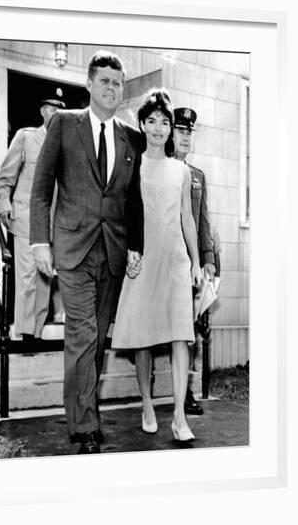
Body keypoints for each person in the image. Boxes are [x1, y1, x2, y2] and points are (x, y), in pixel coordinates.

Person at [30, 51, 143, 454]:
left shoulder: (131, 138)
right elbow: (41, 188)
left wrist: (134, 246)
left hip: (111, 252)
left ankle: (85, 408)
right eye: (105, 81)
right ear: (90, 84)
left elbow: (132, 200)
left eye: (118, 82)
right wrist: (39, 242)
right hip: (72, 248)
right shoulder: (63, 124)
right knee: (82, 335)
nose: (112, 88)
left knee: (96, 341)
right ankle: (83, 427)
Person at [112, 89, 201, 442]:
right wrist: (129, 252)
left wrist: (195, 262)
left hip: (176, 261)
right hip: (144, 261)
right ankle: (147, 404)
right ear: (143, 125)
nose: (160, 128)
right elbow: (121, 215)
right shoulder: (132, 165)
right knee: (144, 339)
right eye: (152, 121)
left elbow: (187, 218)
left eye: (165, 122)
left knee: (182, 336)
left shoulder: (180, 170)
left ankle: (179, 416)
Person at [0, 94, 66, 343]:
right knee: (26, 278)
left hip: (49, 224)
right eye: (52, 110)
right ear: (43, 111)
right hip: (25, 218)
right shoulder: (25, 137)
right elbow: (6, 177)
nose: (56, 114)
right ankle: (24, 332)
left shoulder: (63, 144)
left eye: (60, 111)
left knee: (44, 279)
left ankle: (36, 333)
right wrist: (4, 205)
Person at [173, 107, 215, 414]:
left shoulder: (197, 176)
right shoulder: (155, 168)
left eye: (189, 132)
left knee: (189, 333)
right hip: (161, 264)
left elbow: (202, 223)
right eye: (180, 130)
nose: (185, 136)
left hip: (189, 269)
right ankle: (147, 387)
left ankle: (186, 392)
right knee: (155, 331)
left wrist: (208, 260)